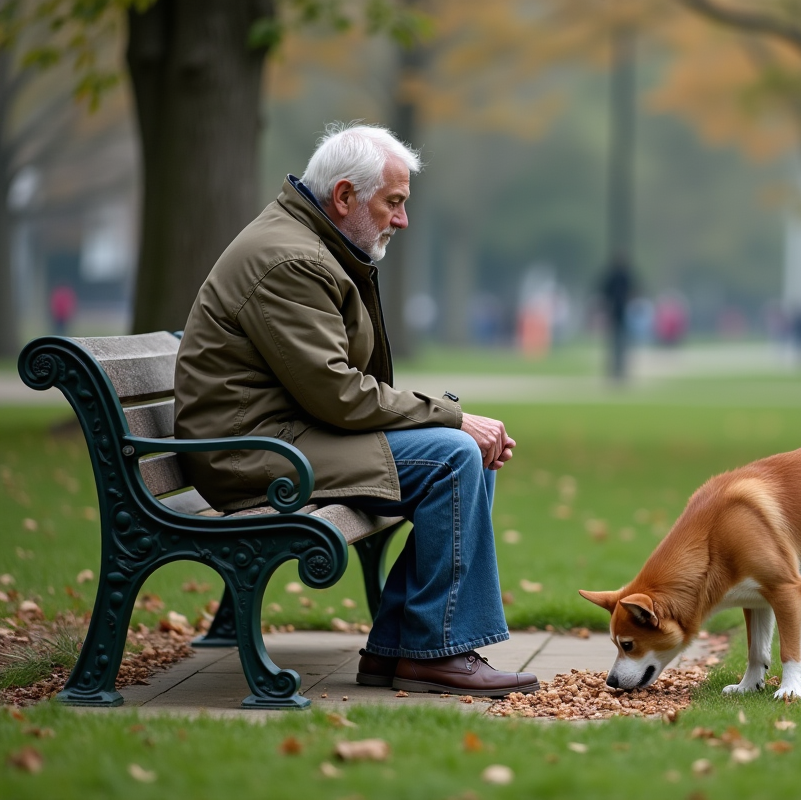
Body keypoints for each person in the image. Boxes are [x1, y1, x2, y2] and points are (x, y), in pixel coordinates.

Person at [174, 122, 538, 697]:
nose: (402, 219)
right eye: (393, 202)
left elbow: (336, 389)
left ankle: (406, 648)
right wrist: (449, 416)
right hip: (251, 453)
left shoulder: (312, 244)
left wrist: (454, 423)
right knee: (452, 455)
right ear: (344, 197)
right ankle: (430, 650)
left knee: (463, 449)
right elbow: (339, 393)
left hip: (283, 435)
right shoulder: (290, 260)